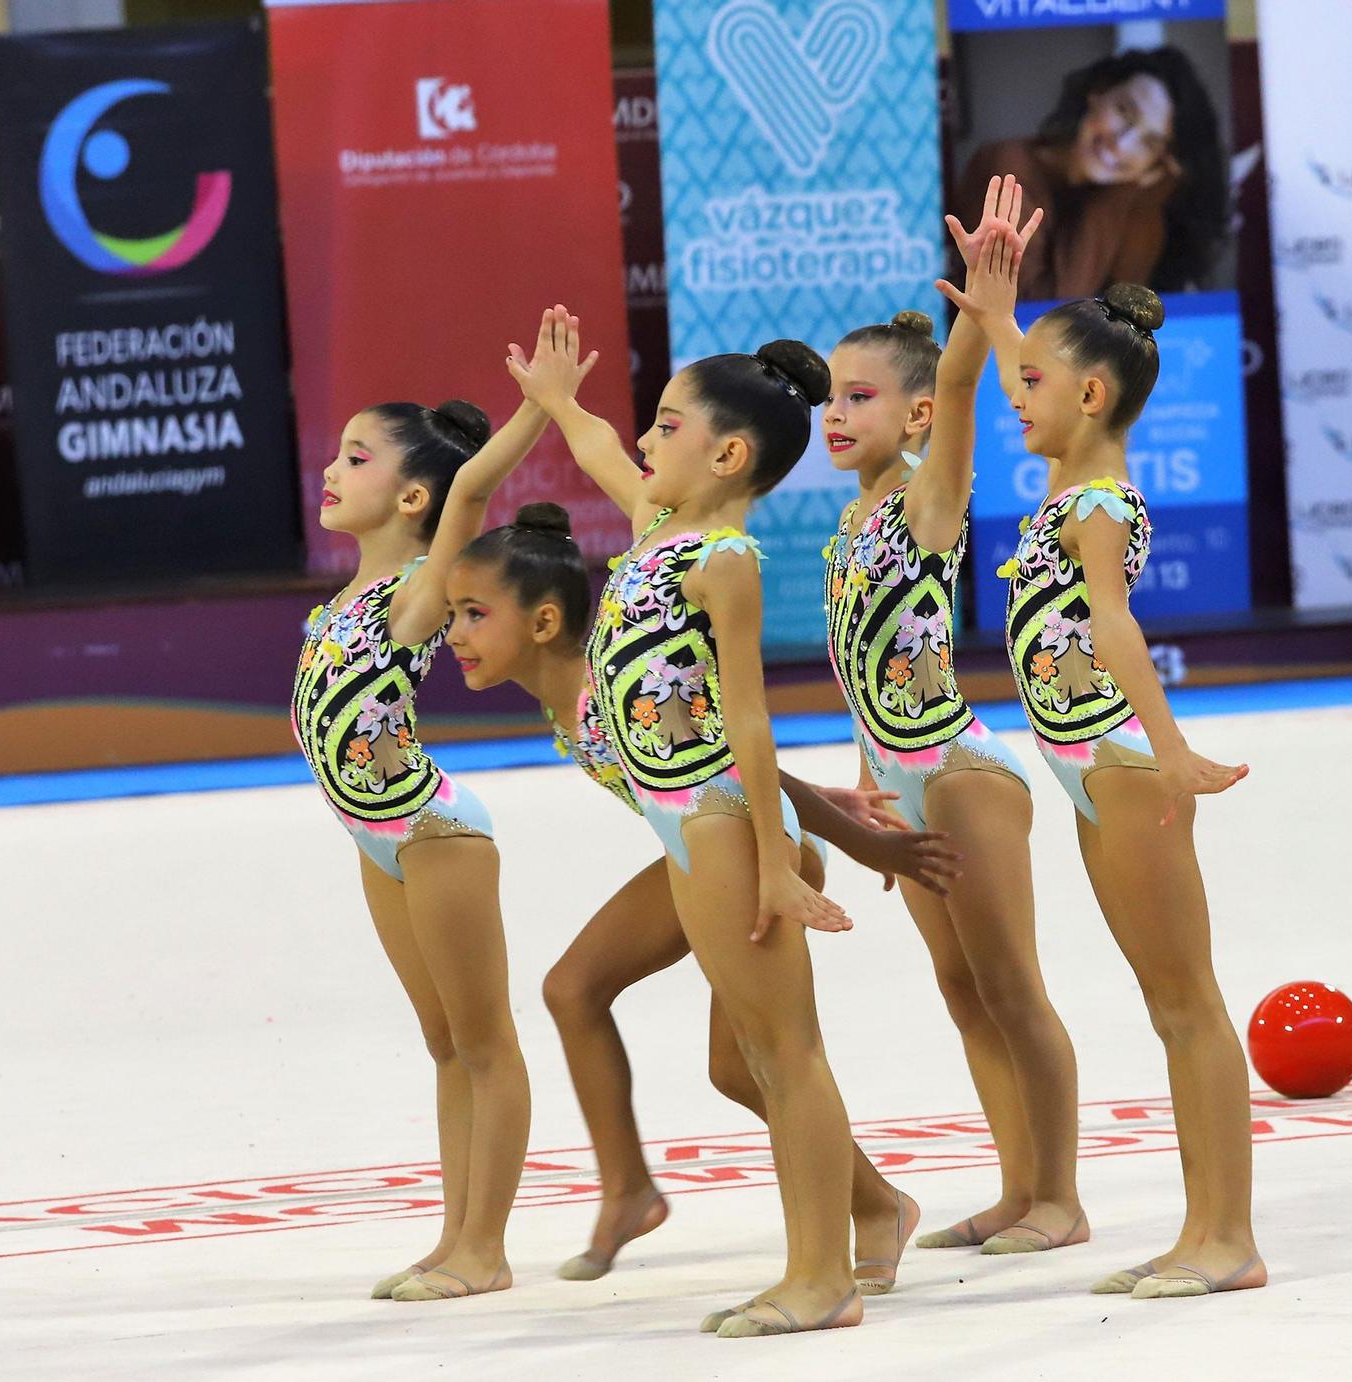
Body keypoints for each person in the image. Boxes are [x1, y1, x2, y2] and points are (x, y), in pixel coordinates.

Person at [442, 503, 962, 1300]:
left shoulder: (604, 679)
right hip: (713, 842)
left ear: (545, 621)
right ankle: (634, 1190)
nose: (454, 635)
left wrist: (853, 841)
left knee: (760, 1060)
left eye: (474, 615)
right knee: (598, 1002)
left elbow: (733, 749)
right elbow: (711, 751)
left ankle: (866, 1217)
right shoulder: (566, 693)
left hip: (757, 853)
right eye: (451, 616)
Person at [522, 309, 870, 1337]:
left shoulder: (722, 558)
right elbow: (596, 450)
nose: (640, 441)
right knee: (755, 1055)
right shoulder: (655, 531)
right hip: (683, 825)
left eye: (663, 426)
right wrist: (558, 405)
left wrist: (773, 860)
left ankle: (824, 1276)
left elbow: (750, 720)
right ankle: (837, 1249)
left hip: (718, 819)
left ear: (725, 453)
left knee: (783, 1050)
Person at [950, 253, 1265, 1300]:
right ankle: (1199, 1230)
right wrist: (999, 318)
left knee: (1184, 1004)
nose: (1012, 396)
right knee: (1161, 1001)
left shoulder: (1099, 502)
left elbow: (1115, 623)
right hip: (1084, 767)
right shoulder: (1063, 471)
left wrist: (1169, 748)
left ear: (1089, 396)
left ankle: (1226, 1237)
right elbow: (1026, 380)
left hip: (1123, 763)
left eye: (1032, 383)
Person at [291, 308, 584, 1302]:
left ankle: (485, 1248)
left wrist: (538, 409)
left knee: (483, 1035)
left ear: (409, 494)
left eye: (356, 455)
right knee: (442, 1039)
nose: (332, 468)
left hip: (432, 831)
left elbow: (473, 489)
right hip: (373, 839)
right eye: (335, 453)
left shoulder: (414, 593)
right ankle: (453, 1231)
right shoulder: (338, 601)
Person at [820, 178, 1087, 1256]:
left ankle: (1061, 1198)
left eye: (858, 398)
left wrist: (985, 309)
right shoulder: (852, 516)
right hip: (904, 778)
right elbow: (857, 673)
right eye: (828, 399)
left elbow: (968, 396)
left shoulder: (928, 499)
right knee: (960, 987)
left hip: (966, 773)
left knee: (1012, 986)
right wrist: (871, 795)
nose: (834, 415)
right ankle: (1016, 1186)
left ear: (918, 416)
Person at [952, 47, 1226, 300]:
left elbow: (1128, 321)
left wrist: (1131, 192)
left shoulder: (1139, 204)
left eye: (1149, 142)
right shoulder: (1010, 167)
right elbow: (1041, 317)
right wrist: (1122, 189)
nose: (1122, 143)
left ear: (1156, 165)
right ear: (1098, 93)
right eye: (1124, 111)